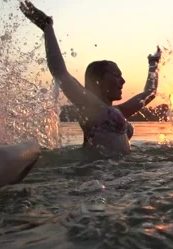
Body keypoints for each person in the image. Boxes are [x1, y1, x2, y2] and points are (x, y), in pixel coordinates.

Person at [19, 0, 162, 156]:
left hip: (116, 176)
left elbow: (150, 92)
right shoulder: (92, 107)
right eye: (116, 75)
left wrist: (153, 64)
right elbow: (60, 72)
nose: (123, 81)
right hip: (95, 176)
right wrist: (48, 28)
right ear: (98, 80)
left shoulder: (118, 111)